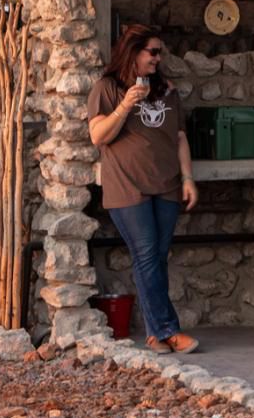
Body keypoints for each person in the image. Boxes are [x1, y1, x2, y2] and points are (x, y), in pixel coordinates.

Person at [86, 25, 201, 356]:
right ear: (133, 52)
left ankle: (155, 335)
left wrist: (188, 178)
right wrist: (125, 105)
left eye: (159, 52)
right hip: (127, 186)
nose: (158, 58)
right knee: (148, 254)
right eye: (152, 51)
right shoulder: (107, 88)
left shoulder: (166, 89)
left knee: (154, 259)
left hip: (165, 185)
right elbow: (98, 136)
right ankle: (168, 330)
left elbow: (179, 137)